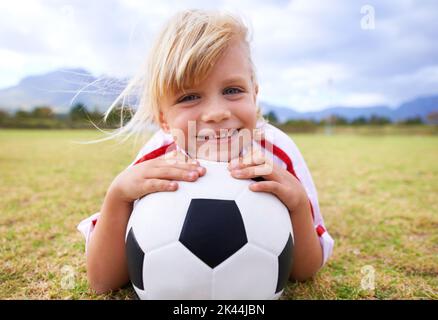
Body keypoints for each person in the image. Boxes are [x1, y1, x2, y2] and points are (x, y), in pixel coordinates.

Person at [77, 9, 334, 294]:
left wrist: (297, 205)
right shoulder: (156, 161)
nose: (216, 113)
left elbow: (305, 272)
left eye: (233, 90)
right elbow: (102, 283)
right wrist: (117, 197)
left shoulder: (278, 154)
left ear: (254, 94)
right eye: (189, 97)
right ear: (163, 119)